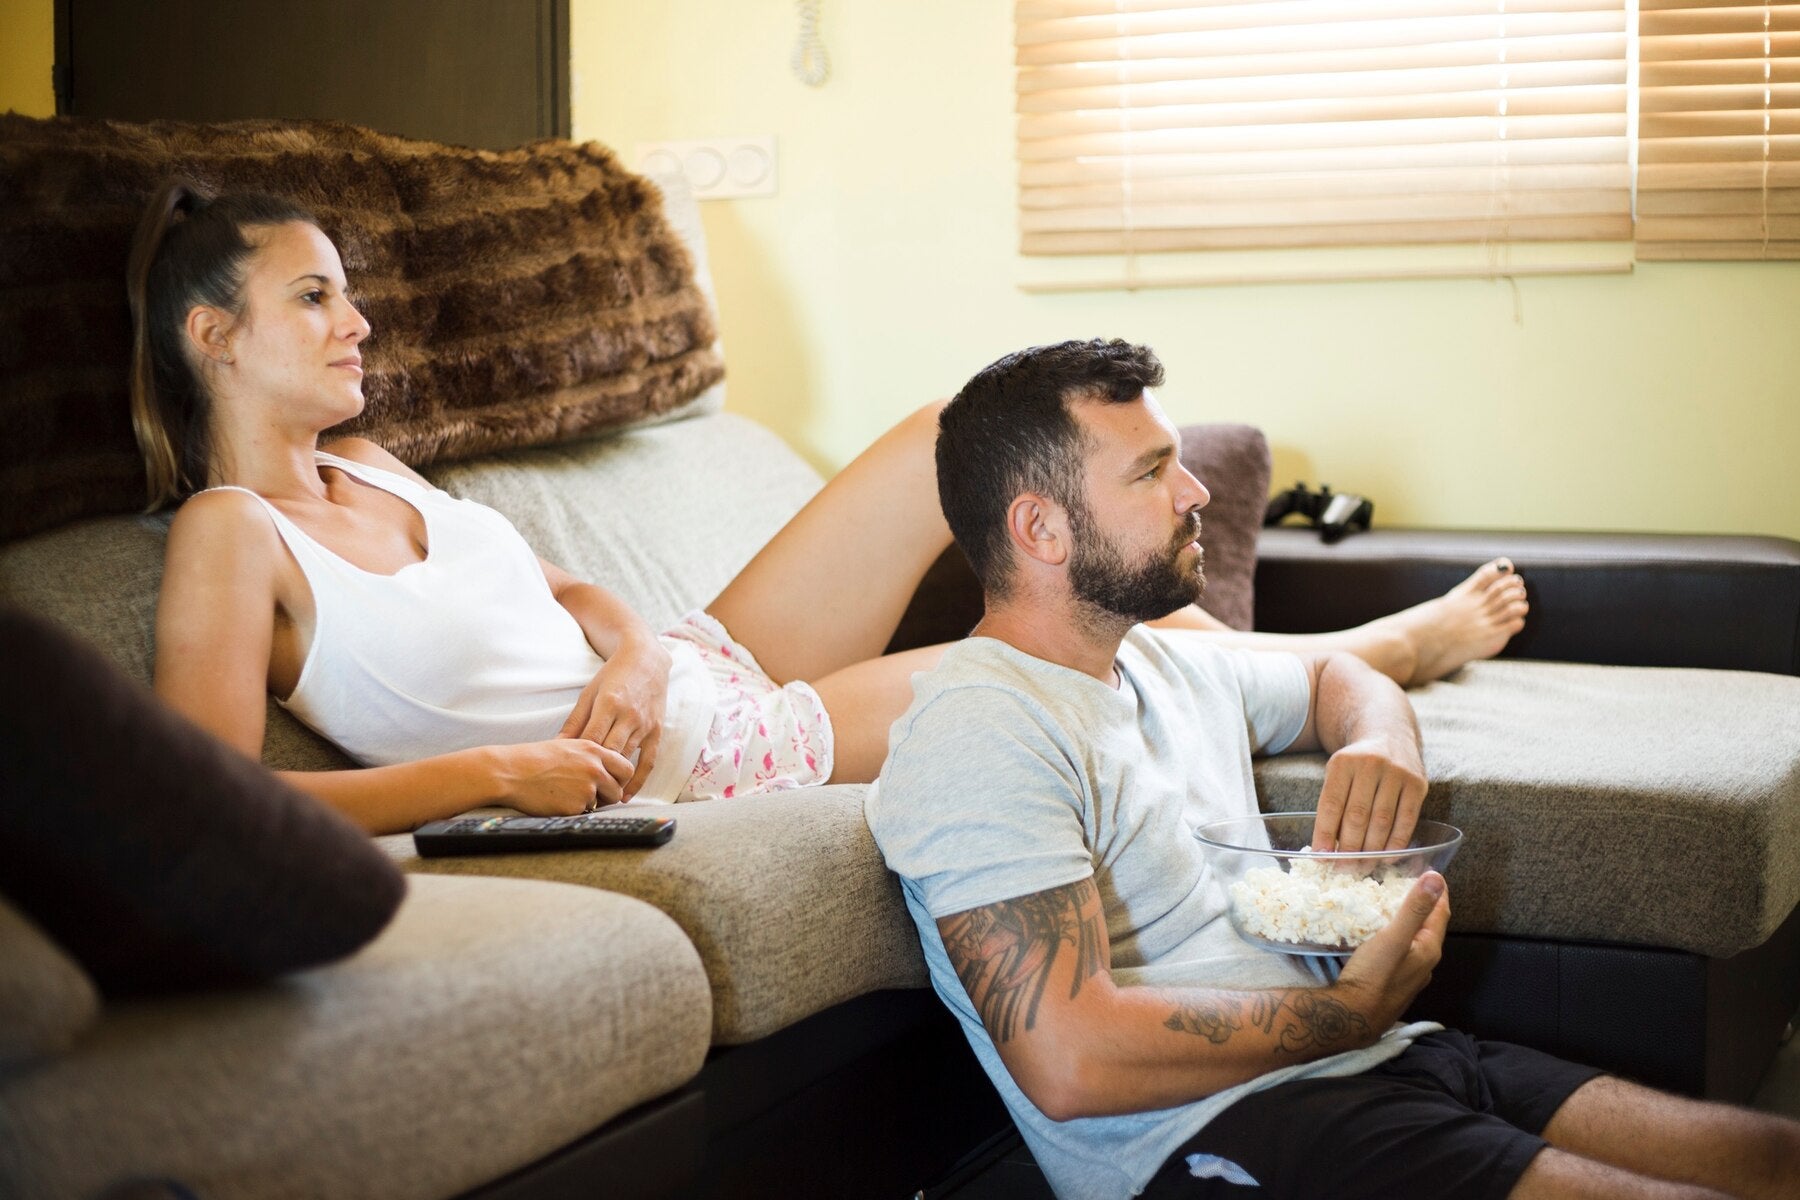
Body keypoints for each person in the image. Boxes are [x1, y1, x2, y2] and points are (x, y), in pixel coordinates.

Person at [129, 178, 1524, 836]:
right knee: (1027, 667)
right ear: (211, 336)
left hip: (685, 664)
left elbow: (565, 593)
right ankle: (1367, 660)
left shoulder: (374, 469)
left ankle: (1307, 655)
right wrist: (501, 775)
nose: (357, 321)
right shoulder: (226, 537)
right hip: (695, 756)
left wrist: (625, 651)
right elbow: (215, 806)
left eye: (348, 289)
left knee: (948, 438)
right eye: (314, 296)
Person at [865, 339, 1800, 1199]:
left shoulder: (1156, 658)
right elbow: (1068, 1062)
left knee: (1773, 1158)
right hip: (1226, 1130)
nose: (1196, 492)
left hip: (1388, 1053)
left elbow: (1331, 674)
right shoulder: (982, 730)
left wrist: (1383, 739)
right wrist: (1348, 1013)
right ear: (1041, 529)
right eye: (1152, 471)